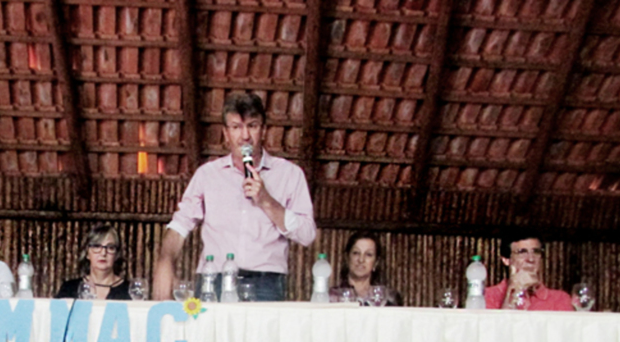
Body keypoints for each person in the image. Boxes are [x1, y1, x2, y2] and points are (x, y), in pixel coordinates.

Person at [153, 92, 316, 302]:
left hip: (266, 282)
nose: (245, 136)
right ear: (225, 133)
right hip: (215, 279)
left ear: (264, 130)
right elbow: (180, 224)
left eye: (253, 125)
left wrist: (266, 200)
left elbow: (307, 234)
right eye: (236, 127)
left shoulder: (290, 174)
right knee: (210, 336)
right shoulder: (207, 174)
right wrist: (165, 261)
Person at [485, 234, 573, 311]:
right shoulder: (488, 296)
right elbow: (498, 328)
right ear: (506, 260)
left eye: (536, 252)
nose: (531, 259)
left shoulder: (559, 299)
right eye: (522, 252)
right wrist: (515, 291)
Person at [55, 225, 131, 300]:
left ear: (117, 254)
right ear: (87, 253)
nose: (103, 253)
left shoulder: (130, 291)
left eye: (110, 247)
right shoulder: (69, 289)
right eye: (97, 246)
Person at [334, 231, 403, 306]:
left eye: (368, 254)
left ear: (376, 262)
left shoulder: (389, 299)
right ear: (347, 257)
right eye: (356, 253)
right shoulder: (332, 296)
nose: (361, 260)